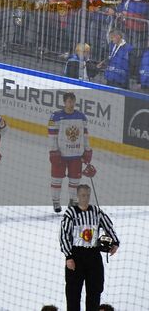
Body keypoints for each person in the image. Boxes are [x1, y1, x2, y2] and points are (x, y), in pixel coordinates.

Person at [61, 183, 120, 311]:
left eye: (87, 195)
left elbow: (108, 225)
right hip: (76, 256)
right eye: (82, 195)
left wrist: (115, 242)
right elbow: (64, 235)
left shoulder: (96, 211)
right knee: (73, 293)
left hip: (93, 255)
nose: (85, 198)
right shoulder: (70, 213)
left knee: (95, 290)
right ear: (77, 196)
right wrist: (69, 257)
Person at [49, 91, 94, 213]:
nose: (71, 104)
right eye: (69, 101)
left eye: (73, 101)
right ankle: (56, 201)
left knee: (75, 180)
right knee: (56, 179)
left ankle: (73, 200)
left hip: (76, 154)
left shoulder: (81, 117)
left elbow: (85, 136)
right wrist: (53, 151)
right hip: (61, 155)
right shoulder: (55, 116)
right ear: (64, 102)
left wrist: (87, 150)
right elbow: (52, 136)